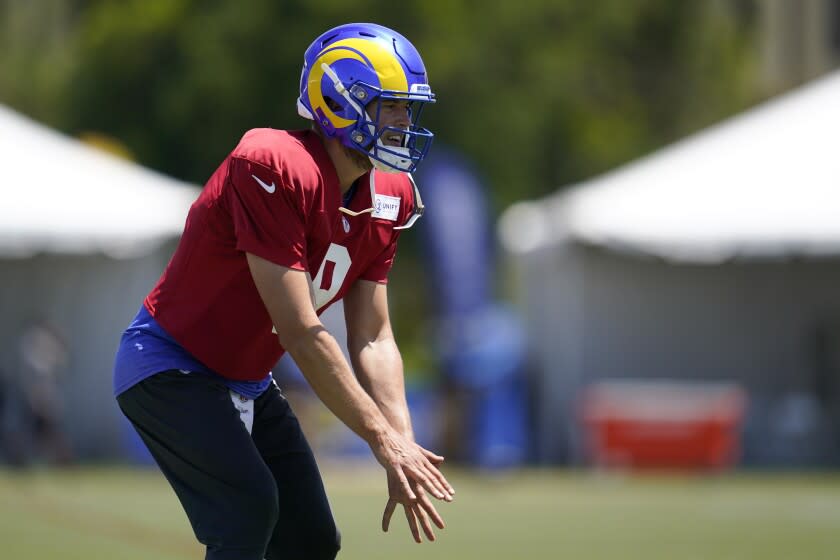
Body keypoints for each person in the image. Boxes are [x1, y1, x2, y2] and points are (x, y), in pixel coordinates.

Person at [112, 22, 453, 560]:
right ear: (342, 101)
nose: (405, 123)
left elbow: (374, 335)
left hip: (246, 377)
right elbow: (299, 329)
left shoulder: (390, 194)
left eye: (409, 109)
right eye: (392, 107)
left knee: (311, 539)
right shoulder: (273, 164)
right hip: (171, 368)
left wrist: (402, 440)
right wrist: (380, 441)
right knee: (248, 510)